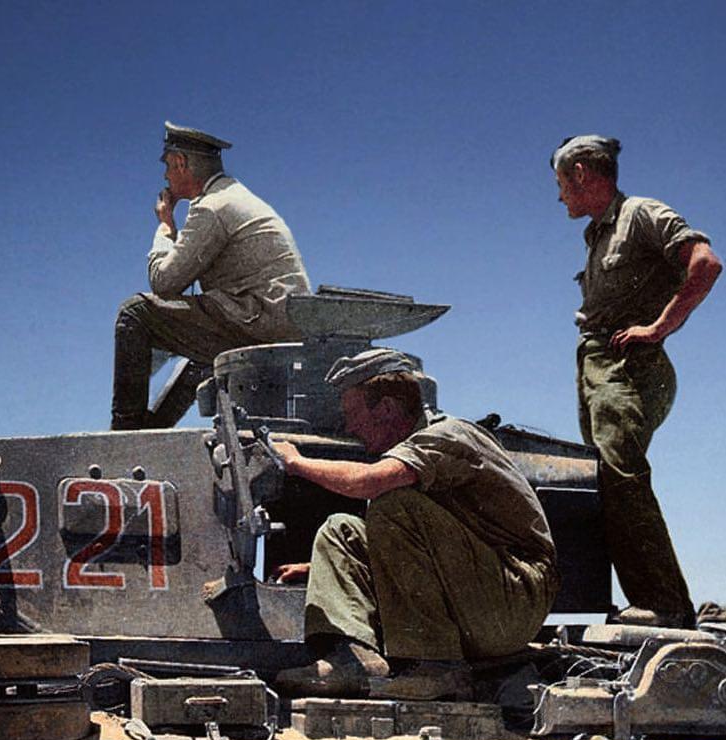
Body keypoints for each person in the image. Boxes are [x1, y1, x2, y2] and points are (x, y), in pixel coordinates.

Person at [269, 349, 559, 700]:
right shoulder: (418, 446)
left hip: (513, 601)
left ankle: (437, 669)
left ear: (387, 408)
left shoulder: (449, 434)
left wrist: (295, 462)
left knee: (391, 505)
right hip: (479, 595)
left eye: (353, 414)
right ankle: (354, 659)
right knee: (341, 531)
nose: (349, 427)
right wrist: (330, 569)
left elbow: (370, 482)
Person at [551, 135, 721, 629]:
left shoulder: (641, 213)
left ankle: (665, 603)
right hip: (599, 364)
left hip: (630, 364)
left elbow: (705, 264)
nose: (560, 195)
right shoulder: (598, 233)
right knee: (607, 477)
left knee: (621, 473)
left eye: (562, 183)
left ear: (581, 173)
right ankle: (652, 600)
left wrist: (658, 327)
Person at [110, 122, 311, 430]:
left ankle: (124, 433)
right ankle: (151, 432)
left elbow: (163, 281)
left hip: (256, 323)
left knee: (134, 314)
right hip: (274, 322)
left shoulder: (212, 208)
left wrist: (165, 226)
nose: (165, 175)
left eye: (167, 165)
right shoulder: (231, 196)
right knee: (196, 360)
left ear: (180, 163)